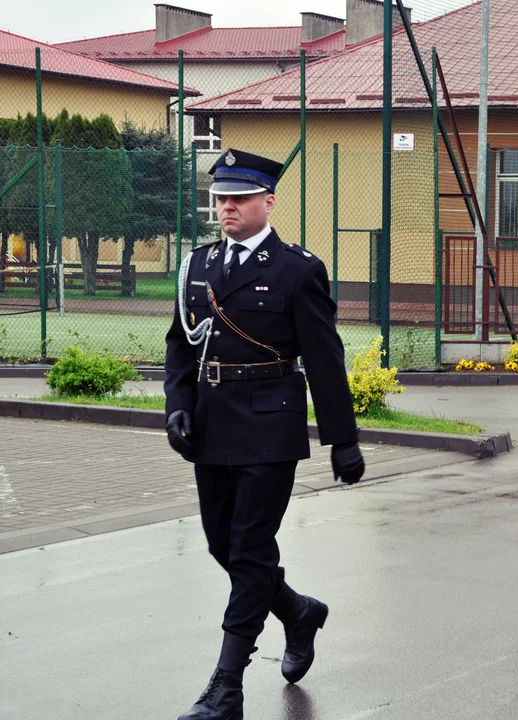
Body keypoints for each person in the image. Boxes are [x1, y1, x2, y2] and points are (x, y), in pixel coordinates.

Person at [165, 149, 365, 720]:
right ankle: (298, 611)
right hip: (211, 424)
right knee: (222, 546)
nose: (226, 207)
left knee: (250, 550)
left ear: (268, 202)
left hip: (269, 426)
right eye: (220, 198)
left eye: (239, 198)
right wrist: (178, 404)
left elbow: (325, 359)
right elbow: (180, 343)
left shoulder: (296, 269)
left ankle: (226, 687)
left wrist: (342, 440)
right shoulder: (199, 265)